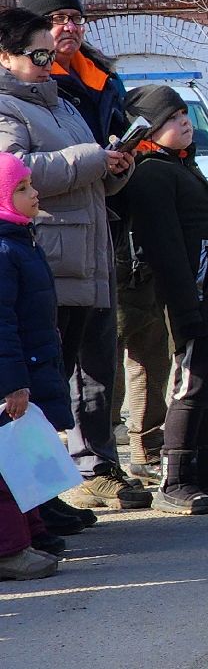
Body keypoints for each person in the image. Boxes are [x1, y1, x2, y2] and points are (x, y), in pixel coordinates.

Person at [0, 7, 143, 516]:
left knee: (77, 377)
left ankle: (62, 485)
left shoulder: (60, 103)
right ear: (6, 56)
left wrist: (116, 165)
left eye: (48, 53)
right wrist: (90, 160)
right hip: (48, 259)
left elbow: (89, 173)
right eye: (35, 54)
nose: (46, 61)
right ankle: (36, 500)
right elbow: (13, 170)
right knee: (39, 383)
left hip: (88, 252)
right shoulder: (6, 108)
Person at [118, 85, 208, 516]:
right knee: (191, 386)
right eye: (172, 118)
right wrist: (186, 306)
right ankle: (174, 478)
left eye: (184, 114)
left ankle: (201, 469)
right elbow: (166, 249)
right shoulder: (153, 174)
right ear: (148, 131)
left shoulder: (184, 165)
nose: (183, 122)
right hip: (191, 301)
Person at [0, 153, 70, 579]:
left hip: (29, 362)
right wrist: (13, 383)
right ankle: (10, 550)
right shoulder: (4, 248)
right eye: (22, 188)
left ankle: (33, 534)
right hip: (12, 372)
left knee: (24, 459)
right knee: (5, 469)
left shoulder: (20, 239)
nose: (34, 192)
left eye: (30, 185)